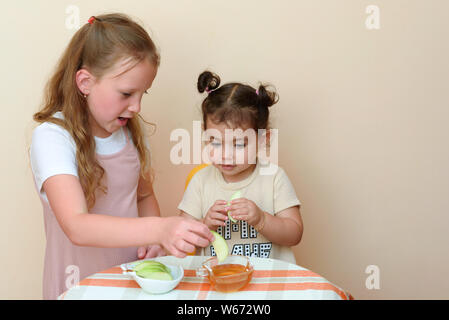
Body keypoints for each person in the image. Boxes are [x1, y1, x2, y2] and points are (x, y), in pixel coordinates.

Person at [30, 14, 213, 299]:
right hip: (78, 288)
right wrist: (159, 228)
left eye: (143, 93)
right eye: (127, 93)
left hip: (132, 285)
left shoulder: (129, 133)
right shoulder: (53, 137)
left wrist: (155, 243)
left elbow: (143, 196)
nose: (137, 106)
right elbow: (77, 225)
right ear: (85, 82)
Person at [178, 71, 303, 264]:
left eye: (238, 144)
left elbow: (294, 234)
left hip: (269, 284)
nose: (225, 155)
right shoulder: (200, 181)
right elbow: (181, 238)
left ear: (263, 139)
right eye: (215, 142)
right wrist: (205, 224)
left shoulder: (274, 177)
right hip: (217, 283)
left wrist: (262, 220)